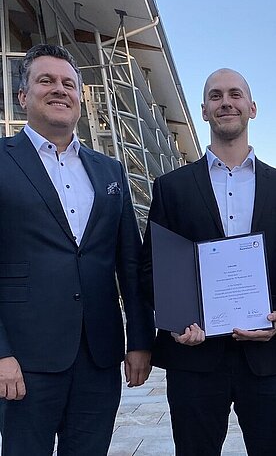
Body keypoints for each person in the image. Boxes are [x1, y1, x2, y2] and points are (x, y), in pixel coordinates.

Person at [139, 68, 276, 456]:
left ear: (252, 108)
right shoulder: (171, 188)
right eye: (216, 95)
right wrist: (177, 320)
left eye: (235, 94)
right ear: (203, 110)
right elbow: (152, 268)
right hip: (194, 355)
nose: (226, 102)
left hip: (269, 357)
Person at [0, 44, 153, 455]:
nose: (59, 89)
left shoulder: (110, 171)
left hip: (99, 356)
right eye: (46, 80)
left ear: (80, 100)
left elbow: (130, 262)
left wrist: (139, 340)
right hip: (25, 360)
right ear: (22, 96)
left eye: (68, 83)